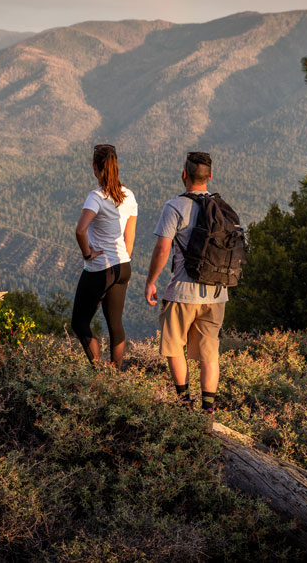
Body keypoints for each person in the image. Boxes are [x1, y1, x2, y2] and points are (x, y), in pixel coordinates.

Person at [144, 151, 224, 414]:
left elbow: (162, 249)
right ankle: (208, 410)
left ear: (184, 175)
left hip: (182, 291)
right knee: (209, 353)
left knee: (173, 345)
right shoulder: (222, 208)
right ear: (210, 176)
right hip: (217, 294)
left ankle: (184, 404)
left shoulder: (175, 206)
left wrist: (151, 281)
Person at [71, 144, 138, 369]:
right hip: (123, 266)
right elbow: (130, 237)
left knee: (79, 323)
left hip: (100, 268)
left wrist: (88, 254)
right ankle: (115, 378)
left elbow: (80, 231)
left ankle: (99, 374)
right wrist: (122, 258)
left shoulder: (96, 197)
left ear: (95, 168)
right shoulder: (129, 195)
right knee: (115, 325)